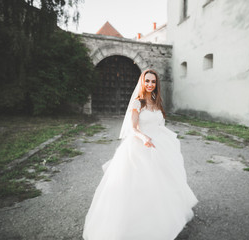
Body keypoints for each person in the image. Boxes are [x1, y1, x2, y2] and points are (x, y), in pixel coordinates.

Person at [82, 69, 198, 240]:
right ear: (142, 82)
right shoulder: (138, 103)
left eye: (153, 82)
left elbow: (160, 124)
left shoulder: (156, 101)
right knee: (140, 184)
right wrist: (144, 137)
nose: (150, 84)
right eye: (147, 81)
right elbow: (134, 128)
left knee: (163, 181)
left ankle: (164, 217)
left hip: (159, 143)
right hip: (140, 144)